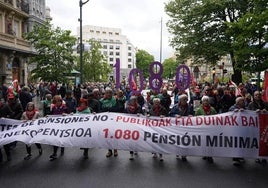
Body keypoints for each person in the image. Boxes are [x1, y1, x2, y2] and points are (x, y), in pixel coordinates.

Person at [169, 94, 194, 161]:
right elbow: (170, 114)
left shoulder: (190, 107)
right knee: (178, 140)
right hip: (178, 127)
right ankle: (177, 152)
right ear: (180, 100)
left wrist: (191, 115)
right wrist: (175, 115)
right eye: (184, 99)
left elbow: (193, 114)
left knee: (185, 140)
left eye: (186, 99)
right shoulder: (175, 107)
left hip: (186, 127)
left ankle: (184, 155)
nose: (185, 101)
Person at [248, 90, 268, 164]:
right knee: (256, 142)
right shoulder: (251, 104)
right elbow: (248, 113)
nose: (258, 96)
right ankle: (256, 157)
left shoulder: (266, 104)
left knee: (264, 141)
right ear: (254, 96)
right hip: (255, 126)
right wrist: (254, 112)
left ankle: (263, 157)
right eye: (256, 95)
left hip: (264, 126)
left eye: (259, 95)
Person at [195, 96, 217, 163]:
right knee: (204, 142)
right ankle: (204, 153)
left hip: (210, 128)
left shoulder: (212, 109)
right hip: (202, 128)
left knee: (210, 142)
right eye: (204, 101)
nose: (206, 102)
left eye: (207, 100)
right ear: (202, 102)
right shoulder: (199, 109)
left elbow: (216, 117)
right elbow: (195, 117)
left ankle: (210, 155)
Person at [100, 88, 120, 158]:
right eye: (107, 93)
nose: (108, 94)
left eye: (109, 93)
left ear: (112, 94)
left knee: (114, 135)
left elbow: (117, 109)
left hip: (114, 120)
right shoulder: (101, 101)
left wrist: (107, 110)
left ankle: (115, 150)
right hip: (105, 121)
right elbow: (100, 110)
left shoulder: (115, 100)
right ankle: (109, 150)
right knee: (107, 136)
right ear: (105, 94)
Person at [49, 95, 69, 161]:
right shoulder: (53, 107)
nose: (57, 103)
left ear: (61, 102)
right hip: (55, 125)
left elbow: (70, 115)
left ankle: (62, 147)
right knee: (55, 139)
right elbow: (51, 115)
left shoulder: (65, 107)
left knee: (61, 138)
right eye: (56, 102)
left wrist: (65, 115)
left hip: (63, 125)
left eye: (58, 101)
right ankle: (54, 153)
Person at [229, 97, 246, 166]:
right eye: (242, 101)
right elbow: (230, 114)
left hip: (242, 129)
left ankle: (241, 156)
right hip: (235, 129)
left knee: (242, 143)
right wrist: (236, 112)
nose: (243, 102)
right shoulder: (232, 107)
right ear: (238, 102)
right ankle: (235, 159)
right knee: (236, 143)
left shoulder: (245, 108)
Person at [125, 96, 143, 160]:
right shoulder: (127, 107)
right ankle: (131, 153)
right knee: (130, 139)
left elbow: (141, 114)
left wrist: (139, 114)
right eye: (132, 100)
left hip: (136, 125)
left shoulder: (138, 107)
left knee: (136, 138)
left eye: (134, 100)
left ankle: (136, 149)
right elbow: (124, 114)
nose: (133, 102)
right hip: (129, 125)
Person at [0, 97, 13, 162]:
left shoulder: (5, 106)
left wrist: (6, 117)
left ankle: (8, 155)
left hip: (4, 127)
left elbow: (11, 114)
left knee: (5, 142)